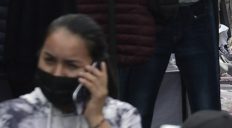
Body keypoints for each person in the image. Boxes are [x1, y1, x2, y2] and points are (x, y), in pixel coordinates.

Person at [0, 14, 141, 127]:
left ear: (96, 68)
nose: (57, 73)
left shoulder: (123, 115)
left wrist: (97, 119)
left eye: (71, 65)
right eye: (49, 60)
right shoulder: (10, 115)